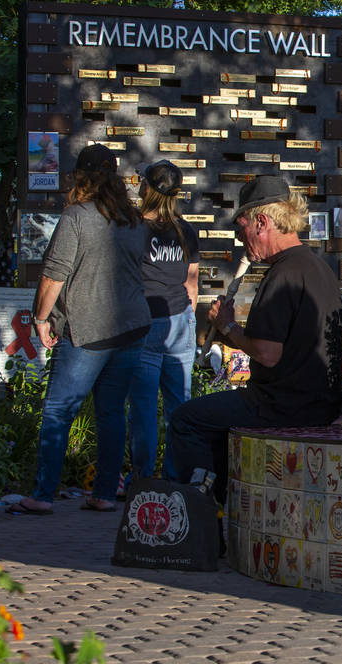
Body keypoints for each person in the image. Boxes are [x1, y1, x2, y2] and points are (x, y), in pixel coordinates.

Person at [167, 175, 342, 506]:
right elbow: (281, 345)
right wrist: (230, 332)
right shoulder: (317, 268)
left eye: (242, 228)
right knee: (215, 429)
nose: (240, 239)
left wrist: (228, 326)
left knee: (184, 420)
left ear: (262, 222)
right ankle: (224, 509)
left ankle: (200, 515)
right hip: (319, 402)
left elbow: (267, 353)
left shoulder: (283, 275)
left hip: (280, 406)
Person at [8, 144, 150, 515]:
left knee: (59, 411)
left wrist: (40, 320)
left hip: (87, 330)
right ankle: (104, 494)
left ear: (81, 177)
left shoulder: (76, 217)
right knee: (112, 413)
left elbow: (53, 276)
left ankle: (42, 495)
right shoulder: (134, 221)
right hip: (130, 329)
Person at [126, 160, 199, 481]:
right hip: (180, 321)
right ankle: (176, 478)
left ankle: (141, 477)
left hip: (145, 324)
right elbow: (192, 284)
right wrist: (188, 321)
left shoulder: (133, 229)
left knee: (142, 409)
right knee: (179, 409)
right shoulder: (186, 230)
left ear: (146, 188)